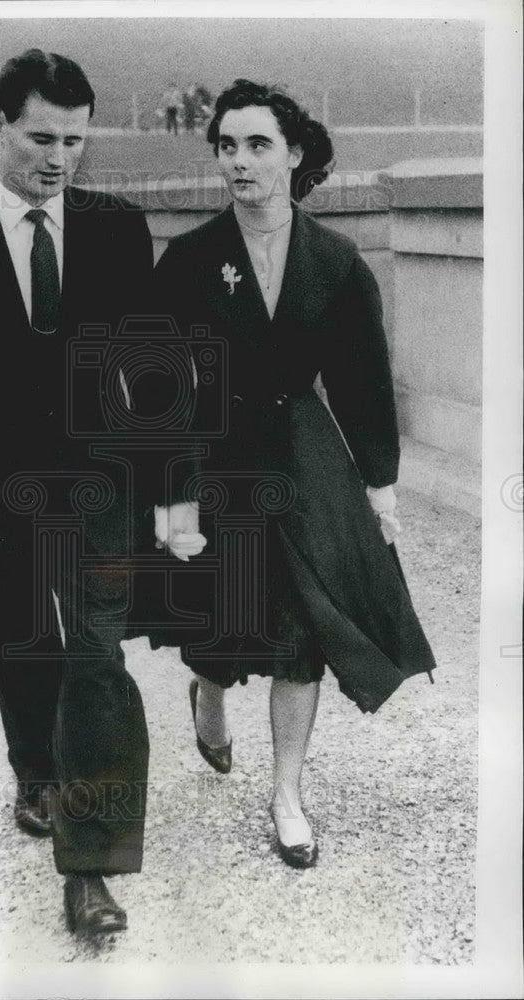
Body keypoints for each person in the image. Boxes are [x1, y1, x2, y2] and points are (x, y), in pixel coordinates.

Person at [0, 48, 201, 939]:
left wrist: (174, 493)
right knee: (21, 646)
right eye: (40, 138)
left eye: (74, 141)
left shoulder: (115, 229)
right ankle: (33, 767)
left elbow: (155, 371)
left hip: (100, 490)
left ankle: (89, 869)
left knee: (94, 661)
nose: (59, 158)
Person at [153, 79, 436, 870]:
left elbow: (361, 379)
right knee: (218, 615)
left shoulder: (335, 262)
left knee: (302, 630)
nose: (239, 161)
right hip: (214, 454)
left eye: (257, 144)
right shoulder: (188, 260)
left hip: (302, 458)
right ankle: (209, 697)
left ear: (294, 153)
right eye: (227, 146)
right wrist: (172, 496)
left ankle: (285, 794)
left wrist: (378, 484)